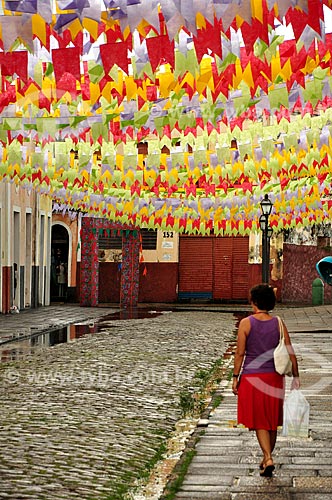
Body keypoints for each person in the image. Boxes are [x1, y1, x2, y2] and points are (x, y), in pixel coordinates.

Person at [232, 283, 300, 477]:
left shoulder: (246, 323)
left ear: (253, 301)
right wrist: (296, 376)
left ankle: (268, 457)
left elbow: (239, 353)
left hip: (253, 378)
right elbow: (290, 351)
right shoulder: (279, 322)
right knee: (271, 419)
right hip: (275, 377)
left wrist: (235, 377)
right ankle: (265, 459)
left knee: (261, 419)